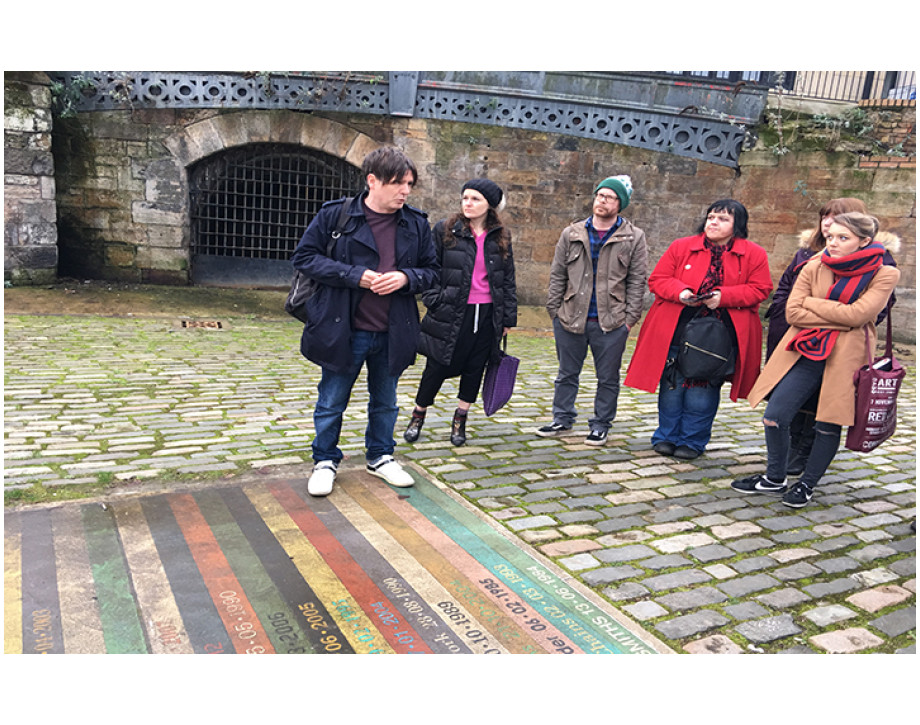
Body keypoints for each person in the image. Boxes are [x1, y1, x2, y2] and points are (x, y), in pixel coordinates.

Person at [290, 146, 439, 497]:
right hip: (344, 328)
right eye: (398, 183)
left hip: (393, 329)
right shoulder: (336, 216)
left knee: (386, 401)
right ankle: (325, 460)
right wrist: (353, 274)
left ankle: (381, 456)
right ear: (372, 181)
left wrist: (405, 278)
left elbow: (432, 272)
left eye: (409, 184)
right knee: (331, 400)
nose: (405, 190)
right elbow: (304, 257)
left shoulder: (416, 223)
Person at [732, 212, 900, 508]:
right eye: (831, 236)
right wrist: (842, 315)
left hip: (847, 358)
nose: (833, 243)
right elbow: (793, 312)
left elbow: (862, 315)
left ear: (864, 242)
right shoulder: (813, 264)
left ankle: (807, 485)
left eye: (843, 238)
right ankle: (774, 478)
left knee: (828, 423)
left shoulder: (884, 272)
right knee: (775, 415)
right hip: (806, 349)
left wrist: (816, 306)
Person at [624, 200, 772, 459]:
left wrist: (723, 297)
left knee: (702, 389)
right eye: (711, 217)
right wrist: (680, 292)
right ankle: (666, 436)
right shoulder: (681, 247)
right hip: (677, 329)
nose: (713, 222)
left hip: (718, 336)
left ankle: (692, 441)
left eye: (722, 219)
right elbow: (658, 280)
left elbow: (760, 289)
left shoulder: (754, 254)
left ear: (737, 226)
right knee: (673, 384)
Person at [764, 198, 900, 475]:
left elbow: (863, 314)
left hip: (845, 351)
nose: (828, 224)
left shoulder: (882, 265)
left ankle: (805, 460)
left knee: (826, 413)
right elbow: (790, 304)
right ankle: (786, 459)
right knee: (785, 407)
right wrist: (840, 316)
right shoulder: (809, 256)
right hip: (800, 341)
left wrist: (822, 311)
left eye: (837, 218)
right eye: (825, 217)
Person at [536, 175, 648, 446]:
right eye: (600, 195)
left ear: (620, 203)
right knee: (566, 373)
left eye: (610, 197)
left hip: (611, 322)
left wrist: (630, 319)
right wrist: (554, 310)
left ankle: (600, 424)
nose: (603, 200)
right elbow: (557, 273)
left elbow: (637, 279)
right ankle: (562, 417)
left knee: (607, 377)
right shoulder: (572, 232)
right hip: (571, 317)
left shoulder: (633, 237)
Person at [403, 179, 517, 446]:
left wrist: (508, 317)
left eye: (475, 199)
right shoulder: (445, 229)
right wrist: (434, 299)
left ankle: (460, 419)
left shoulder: (501, 235)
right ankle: (418, 414)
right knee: (437, 364)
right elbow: (429, 266)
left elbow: (508, 278)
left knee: (475, 366)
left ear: (489, 205)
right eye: (465, 197)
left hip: (488, 313)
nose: (468, 203)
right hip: (451, 310)